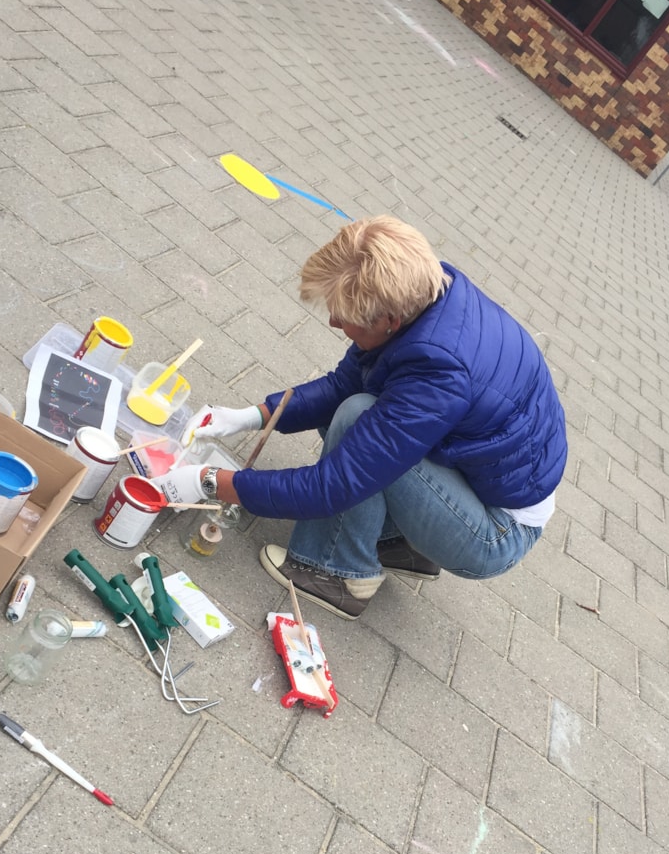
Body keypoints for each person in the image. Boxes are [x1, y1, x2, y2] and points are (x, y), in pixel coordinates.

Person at [151, 216, 568, 621]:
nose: (334, 321)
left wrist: (209, 481)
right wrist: (250, 417)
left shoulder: (438, 370)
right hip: (478, 485)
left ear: (389, 321)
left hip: (495, 533)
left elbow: (332, 486)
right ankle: (398, 542)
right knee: (356, 408)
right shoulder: (423, 293)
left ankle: (337, 571)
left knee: (356, 417)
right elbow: (344, 384)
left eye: (342, 315)